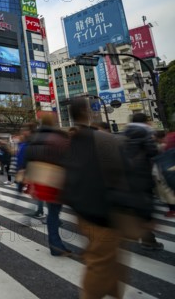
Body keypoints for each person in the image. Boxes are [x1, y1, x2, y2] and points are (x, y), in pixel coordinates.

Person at [61, 97, 136, 299]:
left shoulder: (69, 140)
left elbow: (63, 176)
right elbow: (125, 173)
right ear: (87, 112)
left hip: (81, 210)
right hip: (104, 211)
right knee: (102, 264)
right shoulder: (103, 139)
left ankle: (112, 292)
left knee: (110, 262)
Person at [24, 113, 72, 257]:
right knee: (54, 213)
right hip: (57, 179)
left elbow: (29, 157)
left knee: (52, 212)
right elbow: (68, 157)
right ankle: (56, 245)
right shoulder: (58, 138)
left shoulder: (35, 138)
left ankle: (55, 244)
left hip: (40, 179)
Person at [122, 113, 162, 251]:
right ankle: (148, 239)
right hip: (142, 174)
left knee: (134, 206)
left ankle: (142, 235)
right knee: (146, 206)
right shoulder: (145, 132)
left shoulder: (123, 134)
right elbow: (153, 152)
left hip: (126, 175)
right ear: (145, 121)